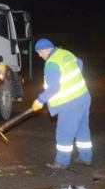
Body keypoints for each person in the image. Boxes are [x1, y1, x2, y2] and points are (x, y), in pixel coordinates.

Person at [32, 39, 93, 169]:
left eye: (39, 53)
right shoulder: (65, 53)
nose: (39, 56)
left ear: (43, 50)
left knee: (64, 132)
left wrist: (40, 100)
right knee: (82, 129)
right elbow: (80, 63)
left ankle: (62, 161)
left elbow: (53, 88)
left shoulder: (51, 63)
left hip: (70, 103)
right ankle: (86, 158)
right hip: (83, 96)